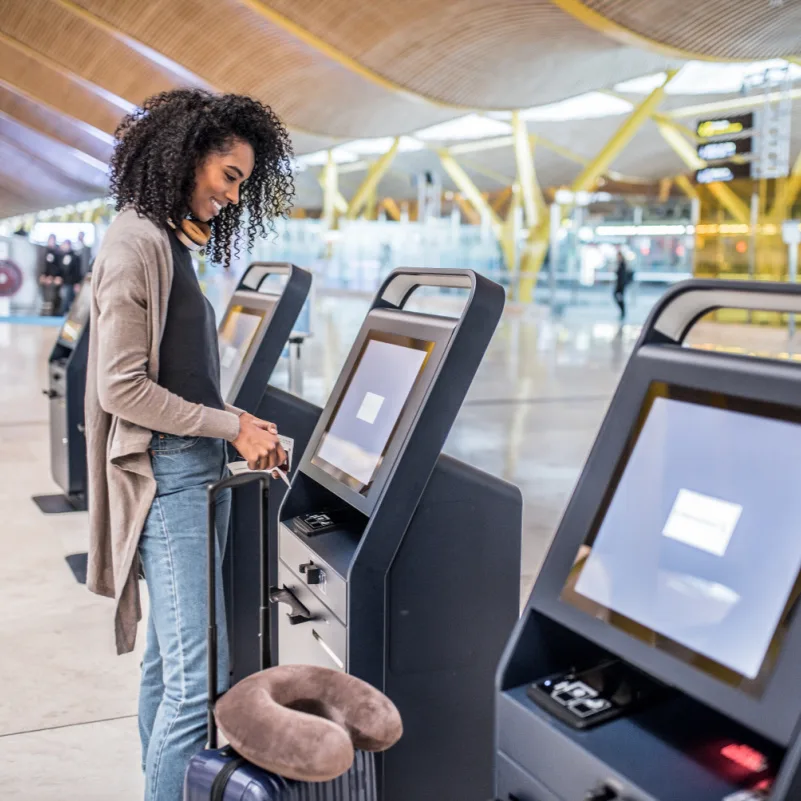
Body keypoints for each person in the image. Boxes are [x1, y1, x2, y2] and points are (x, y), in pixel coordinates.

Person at [84, 89, 295, 801]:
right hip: (171, 477)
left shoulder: (161, 239)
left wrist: (238, 421)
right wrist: (229, 426)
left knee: (167, 669)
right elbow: (123, 390)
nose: (233, 196)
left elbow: (180, 378)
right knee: (195, 682)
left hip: (192, 465)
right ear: (185, 153)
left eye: (242, 182)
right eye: (229, 175)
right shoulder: (135, 244)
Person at [39, 234, 63, 315]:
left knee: (53, 297)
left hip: (54, 279)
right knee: (45, 297)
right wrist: (43, 275)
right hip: (44, 278)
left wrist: (53, 277)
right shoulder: (43, 252)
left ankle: (52, 313)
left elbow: (58, 267)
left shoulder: (57, 253)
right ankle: (45, 313)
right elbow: (41, 265)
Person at [58, 239, 81, 311]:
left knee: (69, 300)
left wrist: (77, 283)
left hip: (71, 282)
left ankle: (63, 314)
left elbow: (77, 271)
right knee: (65, 299)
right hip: (64, 282)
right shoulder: (62, 256)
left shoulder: (75, 257)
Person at [613, 246, 631, 321]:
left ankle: (623, 312)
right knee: (619, 298)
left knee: (619, 297)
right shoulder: (621, 264)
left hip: (621, 285)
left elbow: (622, 276)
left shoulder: (622, 264)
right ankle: (622, 312)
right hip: (620, 284)